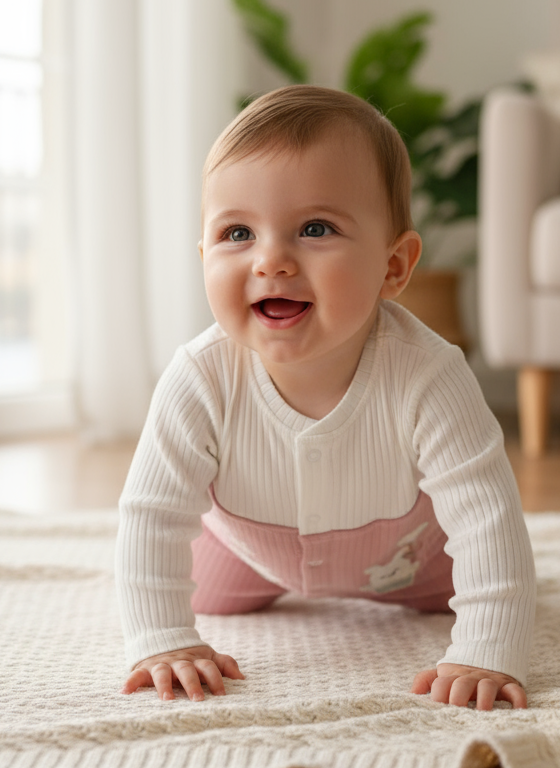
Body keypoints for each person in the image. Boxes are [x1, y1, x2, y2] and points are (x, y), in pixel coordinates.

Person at [116, 84, 536, 711]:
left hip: (412, 563)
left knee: (482, 574)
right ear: (204, 257)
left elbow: (486, 521)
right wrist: (162, 639)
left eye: (315, 228)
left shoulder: (429, 374)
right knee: (194, 589)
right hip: (246, 552)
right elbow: (152, 513)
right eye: (237, 233)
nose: (271, 260)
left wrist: (485, 649)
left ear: (394, 267)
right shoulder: (199, 376)